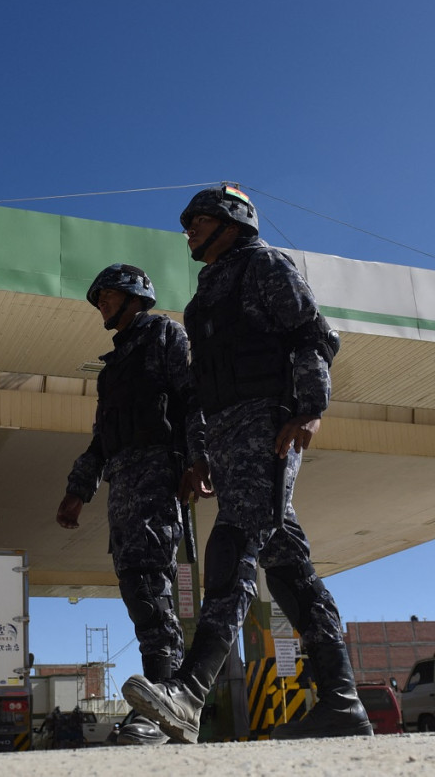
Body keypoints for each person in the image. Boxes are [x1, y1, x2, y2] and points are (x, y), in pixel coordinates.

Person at [121, 183, 371, 743]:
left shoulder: (263, 265)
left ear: (231, 222)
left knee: (234, 539)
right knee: (288, 569)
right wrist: (204, 450)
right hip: (230, 434)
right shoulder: (207, 292)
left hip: (268, 423)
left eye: (198, 220)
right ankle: (342, 702)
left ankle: (189, 691)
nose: (188, 229)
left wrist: (309, 408)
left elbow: (312, 334)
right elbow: (202, 387)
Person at [57, 263, 208, 746]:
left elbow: (193, 398)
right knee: (134, 586)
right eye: (98, 297)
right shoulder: (115, 363)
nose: (99, 304)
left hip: (159, 473)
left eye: (106, 295)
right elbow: (102, 438)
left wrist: (198, 458)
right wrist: (78, 490)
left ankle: (164, 702)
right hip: (123, 482)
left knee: (149, 585)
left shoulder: (166, 335)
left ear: (134, 296)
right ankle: (160, 705)